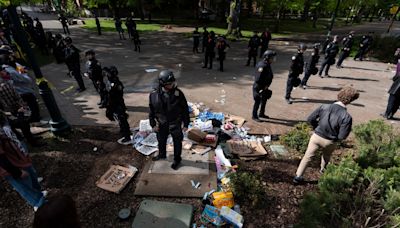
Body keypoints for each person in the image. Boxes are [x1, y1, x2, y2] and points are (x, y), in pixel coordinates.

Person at [293, 87, 359, 184]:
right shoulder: (347, 117)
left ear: (339, 95)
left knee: (307, 157)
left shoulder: (324, 106)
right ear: (351, 100)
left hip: (316, 136)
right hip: (330, 141)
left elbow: (310, 119)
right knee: (326, 156)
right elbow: (342, 136)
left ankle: (298, 177)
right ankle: (323, 173)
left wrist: (317, 127)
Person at [0, 111, 46, 211]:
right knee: (26, 187)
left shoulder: (2, 118)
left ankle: (40, 196)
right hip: (12, 166)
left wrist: (20, 114)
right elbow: (2, 160)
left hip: (20, 157)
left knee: (33, 178)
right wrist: (17, 172)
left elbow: (13, 125)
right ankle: (40, 205)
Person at [149, 70, 190, 170]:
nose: (172, 84)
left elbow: (185, 109)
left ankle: (177, 159)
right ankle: (162, 154)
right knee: (161, 140)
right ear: (163, 84)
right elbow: (151, 110)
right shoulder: (154, 95)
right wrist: (153, 124)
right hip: (162, 123)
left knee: (177, 142)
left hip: (175, 122)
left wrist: (186, 124)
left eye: (172, 82)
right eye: (169, 83)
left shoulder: (178, 94)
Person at [1, 54, 41, 122]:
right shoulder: (11, 71)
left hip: (20, 91)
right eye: (11, 58)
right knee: (33, 106)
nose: (13, 58)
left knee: (28, 108)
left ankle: (34, 120)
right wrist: (24, 74)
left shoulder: (10, 67)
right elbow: (27, 79)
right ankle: (36, 121)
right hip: (23, 91)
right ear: (7, 60)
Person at [103, 66, 131, 144]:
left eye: (108, 73)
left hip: (117, 104)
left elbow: (116, 95)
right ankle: (123, 131)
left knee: (122, 120)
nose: (106, 74)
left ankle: (127, 137)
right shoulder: (109, 82)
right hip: (113, 104)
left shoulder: (116, 83)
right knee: (118, 119)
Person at [252, 50, 277, 122]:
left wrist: (267, 86)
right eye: (272, 58)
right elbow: (258, 79)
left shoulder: (267, 64)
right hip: (259, 86)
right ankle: (254, 116)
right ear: (267, 57)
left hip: (264, 86)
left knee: (264, 100)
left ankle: (261, 113)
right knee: (257, 101)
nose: (273, 59)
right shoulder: (262, 66)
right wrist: (263, 87)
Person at [382, 51, 400, 120]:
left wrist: (394, 78)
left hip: (398, 84)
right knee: (397, 101)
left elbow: (398, 74)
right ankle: (390, 114)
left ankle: (387, 114)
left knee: (392, 99)